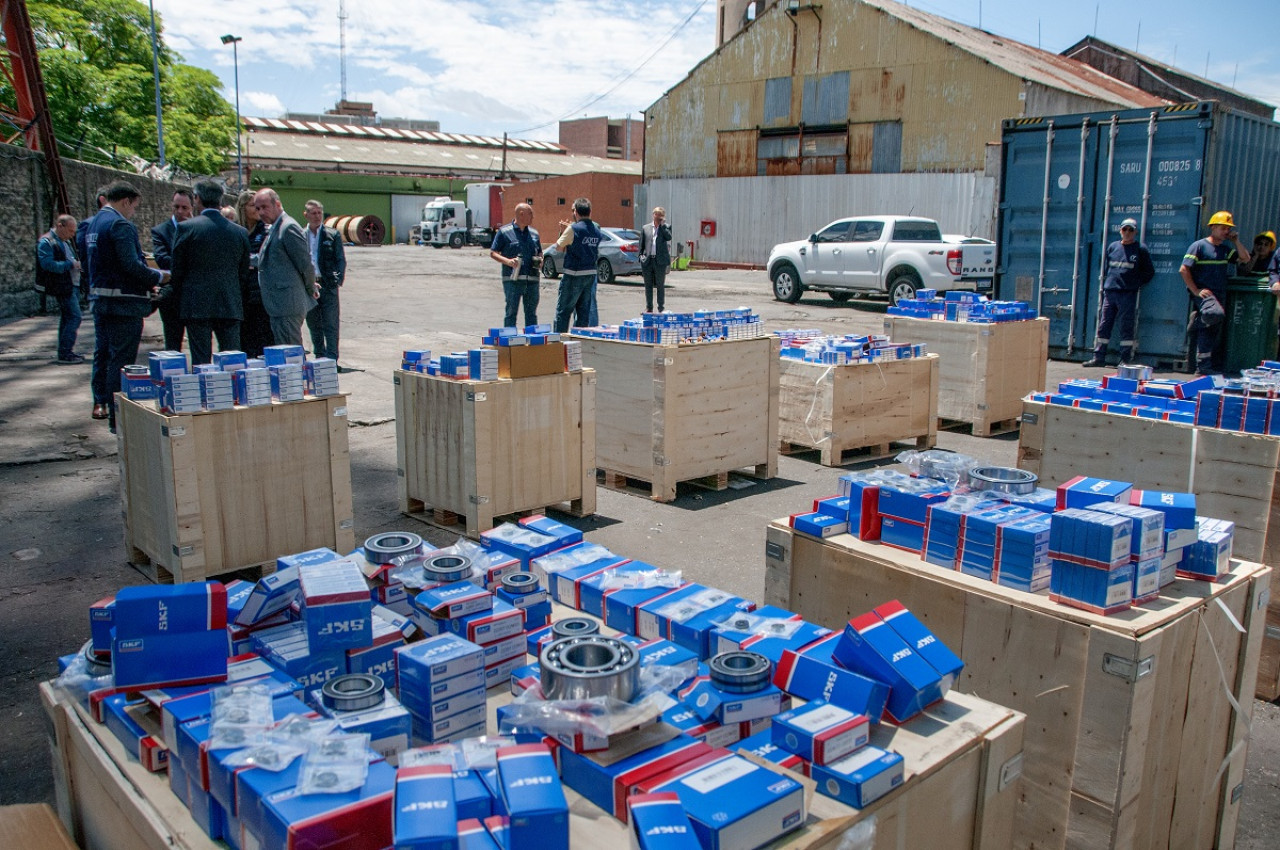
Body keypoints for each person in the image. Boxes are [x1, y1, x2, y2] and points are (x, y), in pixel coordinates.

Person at [85, 181, 169, 430]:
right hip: (123, 303)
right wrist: (159, 277)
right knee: (121, 362)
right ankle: (117, 418)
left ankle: (106, 406)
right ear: (126, 201)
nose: (134, 212)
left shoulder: (93, 224)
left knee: (105, 355)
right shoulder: (120, 224)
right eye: (134, 207)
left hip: (102, 302)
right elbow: (130, 265)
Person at [168, 180, 250, 366]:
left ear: (197, 199)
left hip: (196, 304)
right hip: (229, 302)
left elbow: (177, 270)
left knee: (201, 361)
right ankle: (232, 394)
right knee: (232, 361)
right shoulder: (240, 232)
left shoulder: (186, 228)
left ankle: (205, 394)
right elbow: (243, 272)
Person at [1180, 210, 1251, 376]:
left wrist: (1236, 241)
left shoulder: (1225, 250)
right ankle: (1202, 363)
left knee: (1211, 328)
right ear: (1212, 228)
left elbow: (1245, 258)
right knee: (1213, 315)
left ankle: (1202, 365)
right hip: (1205, 294)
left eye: (1228, 228)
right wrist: (1195, 290)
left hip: (1219, 294)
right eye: (1223, 228)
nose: (1226, 231)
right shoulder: (1199, 246)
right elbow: (1184, 269)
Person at [1085, 218, 1155, 367]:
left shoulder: (1140, 249)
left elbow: (1149, 272)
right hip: (1110, 292)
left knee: (1126, 325)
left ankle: (1125, 359)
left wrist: (1135, 283)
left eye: (1131, 230)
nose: (1127, 233)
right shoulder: (1113, 247)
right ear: (1120, 231)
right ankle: (1099, 357)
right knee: (1104, 324)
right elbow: (1106, 268)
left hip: (1127, 293)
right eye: (1125, 229)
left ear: (1135, 232)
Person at [251, 188, 316, 345]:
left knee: (291, 354)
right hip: (279, 305)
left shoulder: (287, 227)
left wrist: (310, 288)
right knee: (285, 353)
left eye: (264, 207)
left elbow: (305, 264)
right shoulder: (275, 227)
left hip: (287, 305)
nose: (260, 212)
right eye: (257, 208)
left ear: (277, 204)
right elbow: (266, 259)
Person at [302, 200, 347, 363]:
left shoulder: (332, 234)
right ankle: (319, 357)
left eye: (319, 213)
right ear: (306, 215)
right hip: (309, 286)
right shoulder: (300, 235)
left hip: (328, 285)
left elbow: (340, 259)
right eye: (313, 213)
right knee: (314, 324)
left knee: (331, 323)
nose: (317, 216)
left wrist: (337, 280)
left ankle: (332, 359)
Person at [150, 188, 194, 351]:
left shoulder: (199, 228)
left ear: (192, 208)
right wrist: (190, 262)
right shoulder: (161, 231)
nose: (180, 212)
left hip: (195, 296)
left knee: (199, 346)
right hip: (172, 296)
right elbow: (162, 259)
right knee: (173, 346)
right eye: (176, 207)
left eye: (184, 208)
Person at [37, 214, 84, 363]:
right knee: (75, 316)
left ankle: (65, 351)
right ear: (59, 225)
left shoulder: (64, 242)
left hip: (70, 284)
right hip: (62, 286)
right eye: (70, 231)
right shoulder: (47, 242)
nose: (72, 234)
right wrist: (70, 265)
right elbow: (47, 264)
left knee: (67, 317)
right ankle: (65, 353)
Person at [552, 198, 603, 333]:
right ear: (590, 212)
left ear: (575, 212)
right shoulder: (596, 230)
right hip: (590, 274)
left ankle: (558, 341)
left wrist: (563, 231)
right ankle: (580, 340)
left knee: (563, 311)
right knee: (583, 313)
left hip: (573, 274)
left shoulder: (573, 228)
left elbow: (558, 247)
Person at [489, 202, 542, 329]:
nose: (533, 217)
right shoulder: (504, 232)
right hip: (513, 280)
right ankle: (510, 342)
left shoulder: (534, 233)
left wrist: (541, 260)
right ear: (521, 214)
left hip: (532, 281)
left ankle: (531, 343)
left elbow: (539, 251)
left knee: (531, 314)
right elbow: (493, 253)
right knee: (511, 313)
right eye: (531, 214)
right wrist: (508, 261)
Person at [236, 190, 272, 357]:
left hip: (260, 293)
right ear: (243, 208)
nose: (257, 210)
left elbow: (263, 258)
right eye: (253, 206)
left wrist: (245, 261)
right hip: (241, 293)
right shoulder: (236, 230)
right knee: (244, 338)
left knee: (262, 337)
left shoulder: (265, 231)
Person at [639, 206, 673, 313]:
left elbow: (669, 237)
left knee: (660, 285)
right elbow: (641, 244)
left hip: (660, 261)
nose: (658, 217)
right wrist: (640, 256)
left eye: (660, 215)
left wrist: (662, 226)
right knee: (648, 285)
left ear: (663, 217)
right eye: (656, 214)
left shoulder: (666, 227)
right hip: (648, 260)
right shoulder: (646, 228)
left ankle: (661, 308)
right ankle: (649, 307)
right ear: (653, 215)